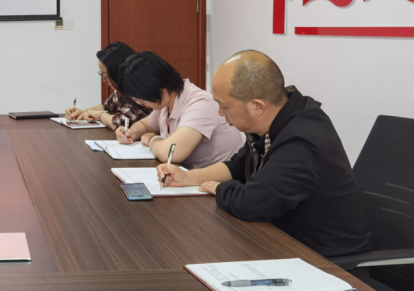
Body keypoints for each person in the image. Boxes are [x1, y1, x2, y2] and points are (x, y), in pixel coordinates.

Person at [157, 50, 371, 258]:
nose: (220, 113)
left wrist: (221, 188)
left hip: (324, 258)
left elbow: (251, 204)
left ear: (258, 106)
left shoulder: (301, 140)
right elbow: (237, 166)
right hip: (284, 239)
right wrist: (188, 177)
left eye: (224, 106)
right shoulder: (274, 121)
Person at [115, 51, 243, 168]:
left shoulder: (200, 105)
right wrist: (131, 132)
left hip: (221, 180)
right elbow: (145, 125)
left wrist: (152, 140)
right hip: (190, 175)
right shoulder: (166, 101)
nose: (140, 103)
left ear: (161, 90)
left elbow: (170, 153)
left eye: (141, 99)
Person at [64, 42, 150, 131]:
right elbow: (106, 106)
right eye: (102, 75)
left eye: (106, 75)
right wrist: (83, 112)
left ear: (118, 71)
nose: (104, 80)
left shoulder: (137, 92)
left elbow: (121, 123)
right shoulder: (120, 91)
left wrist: (99, 114)